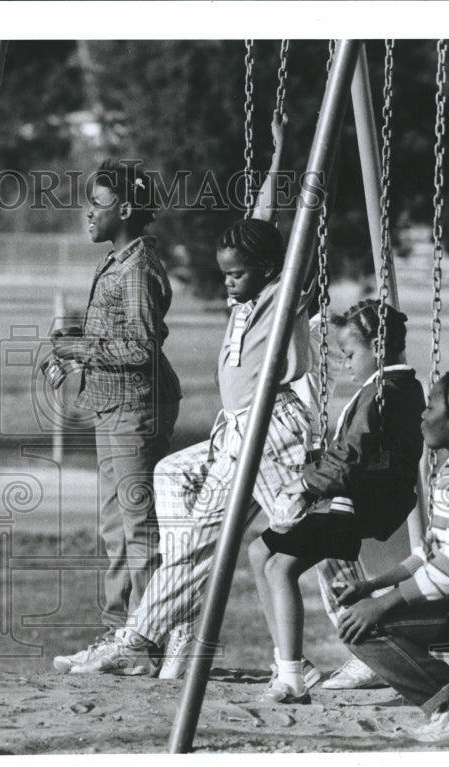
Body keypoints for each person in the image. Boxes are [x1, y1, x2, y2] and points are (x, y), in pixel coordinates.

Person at [59, 114, 318, 678]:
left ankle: (147, 639)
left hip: (272, 430)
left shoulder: (279, 295)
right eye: (226, 272)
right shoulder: (245, 297)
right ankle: (163, 635)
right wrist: (274, 161)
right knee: (173, 488)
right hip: (235, 429)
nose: (227, 279)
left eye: (238, 271)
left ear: (269, 269)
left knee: (310, 540)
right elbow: (258, 222)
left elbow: (285, 231)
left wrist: (299, 161)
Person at [249, 300, 425, 703]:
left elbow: (350, 459)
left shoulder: (385, 393)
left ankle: (292, 678)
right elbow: (351, 454)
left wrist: (303, 485)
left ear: (378, 345)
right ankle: (287, 661)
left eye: (349, 355)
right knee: (259, 551)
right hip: (357, 494)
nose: (344, 364)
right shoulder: (391, 388)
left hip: (361, 501)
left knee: (280, 567)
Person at [336, 371, 449, 744]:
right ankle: (445, 701)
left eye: (430, 405)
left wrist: (383, 604)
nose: (422, 413)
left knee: (367, 629)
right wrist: (373, 586)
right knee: (367, 620)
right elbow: (431, 553)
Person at [49, 159, 181, 667]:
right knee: (116, 528)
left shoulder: (136, 266)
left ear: (125, 209)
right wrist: (72, 349)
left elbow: (141, 348)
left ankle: (149, 643)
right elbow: (116, 339)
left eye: (97, 203)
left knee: (139, 529)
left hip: (136, 408)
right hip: (114, 405)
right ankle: (120, 635)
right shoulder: (120, 259)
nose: (87, 212)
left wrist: (81, 350)